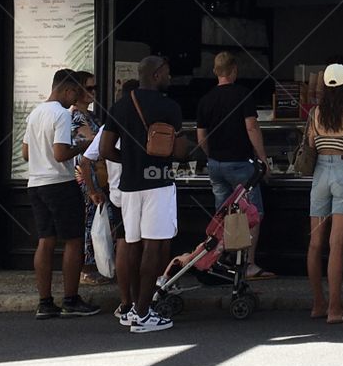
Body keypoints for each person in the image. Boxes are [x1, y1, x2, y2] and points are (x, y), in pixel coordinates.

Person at [101, 55, 181, 333]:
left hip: (129, 186)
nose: (170, 77)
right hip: (158, 183)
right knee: (154, 246)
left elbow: (105, 149)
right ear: (156, 74)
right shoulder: (169, 106)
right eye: (167, 72)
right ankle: (144, 314)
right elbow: (180, 150)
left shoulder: (120, 106)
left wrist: (130, 161)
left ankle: (133, 308)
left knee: (132, 245)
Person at [22, 72, 100, 319]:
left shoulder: (35, 113)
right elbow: (60, 154)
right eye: (75, 93)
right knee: (74, 240)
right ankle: (71, 299)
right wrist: (84, 146)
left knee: (45, 240)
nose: (75, 99)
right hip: (60, 183)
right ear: (67, 90)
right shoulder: (61, 114)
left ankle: (45, 302)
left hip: (36, 183)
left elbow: (25, 153)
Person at [196, 51, 273, 280]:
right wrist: (263, 159)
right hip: (240, 163)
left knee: (224, 216)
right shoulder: (242, 94)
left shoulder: (205, 99)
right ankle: (248, 264)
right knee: (253, 213)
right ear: (234, 70)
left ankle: (224, 260)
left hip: (215, 165)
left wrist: (213, 156)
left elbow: (201, 137)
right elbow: (252, 127)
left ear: (215, 71)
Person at [306, 62, 343, 324]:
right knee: (336, 244)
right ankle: (335, 308)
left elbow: (311, 143)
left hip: (320, 172)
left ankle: (318, 304)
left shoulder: (315, 112)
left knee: (315, 243)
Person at [81, 125, 135, 324]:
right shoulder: (147, 120)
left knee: (124, 241)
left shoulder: (109, 127)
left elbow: (85, 160)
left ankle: (126, 301)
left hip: (118, 193)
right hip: (144, 190)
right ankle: (143, 299)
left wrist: (92, 191)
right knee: (149, 243)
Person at [70, 71, 104, 286]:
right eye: (89, 88)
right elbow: (89, 145)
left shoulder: (91, 115)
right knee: (89, 220)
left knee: (95, 219)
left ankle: (96, 265)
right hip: (85, 174)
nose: (93, 92)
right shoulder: (77, 116)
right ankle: (87, 269)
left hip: (95, 173)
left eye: (94, 88)